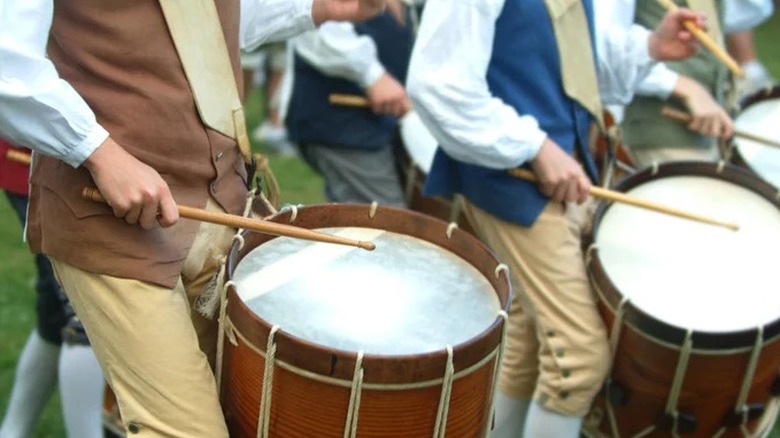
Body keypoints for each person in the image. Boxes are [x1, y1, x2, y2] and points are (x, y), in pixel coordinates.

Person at [0, 0, 387, 436]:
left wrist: (318, 7)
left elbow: (214, 20)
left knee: (264, 411)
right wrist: (99, 153)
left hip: (223, 199)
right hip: (106, 215)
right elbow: (6, 60)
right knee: (187, 429)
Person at [406, 1, 706, 436]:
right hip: (511, 176)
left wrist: (651, 46)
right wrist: (536, 147)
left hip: (549, 169)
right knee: (578, 359)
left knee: (528, 338)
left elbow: (574, 68)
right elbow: (437, 82)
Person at [0, 140, 104, 438]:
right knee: (86, 311)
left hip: (71, 157)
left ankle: (13, 430)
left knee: (57, 305)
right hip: (47, 156)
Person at [284, 0, 415, 207]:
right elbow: (313, 21)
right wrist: (373, 75)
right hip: (341, 120)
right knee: (383, 222)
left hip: (389, 122)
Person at [616, 0, 770, 168]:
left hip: (708, 125)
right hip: (658, 126)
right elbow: (606, 46)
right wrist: (683, 87)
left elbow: (748, 11)